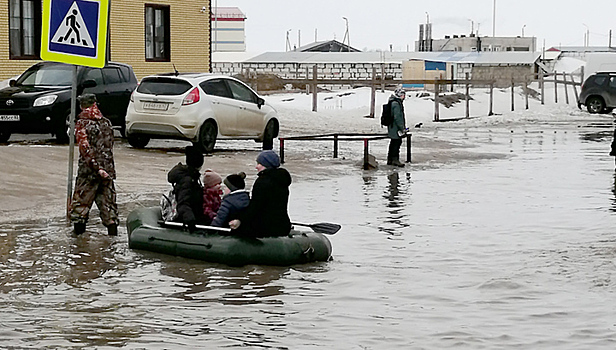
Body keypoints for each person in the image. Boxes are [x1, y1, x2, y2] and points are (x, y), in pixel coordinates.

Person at [70, 93, 118, 236]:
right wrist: (104, 169)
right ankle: (112, 244)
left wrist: (97, 168)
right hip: (107, 171)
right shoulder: (107, 123)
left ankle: (77, 246)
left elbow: (85, 150)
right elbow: (109, 146)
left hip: (89, 173)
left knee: (80, 208)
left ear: (81, 106)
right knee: (109, 208)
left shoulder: (82, 123)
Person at [234, 150, 292, 237]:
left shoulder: (263, 182)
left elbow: (255, 206)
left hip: (266, 227)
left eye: (259, 164)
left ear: (266, 165)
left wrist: (240, 219)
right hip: (283, 225)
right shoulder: (282, 180)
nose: (256, 167)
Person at [167, 145, 206, 232]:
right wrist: (190, 220)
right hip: (188, 219)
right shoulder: (187, 180)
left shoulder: (192, 177)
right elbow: (183, 202)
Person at [387, 86, 408, 167]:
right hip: (395, 127)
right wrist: (402, 127)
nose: (404, 96)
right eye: (402, 95)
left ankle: (390, 159)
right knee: (396, 143)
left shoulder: (394, 102)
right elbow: (397, 117)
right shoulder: (396, 104)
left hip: (393, 126)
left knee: (393, 143)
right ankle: (395, 159)